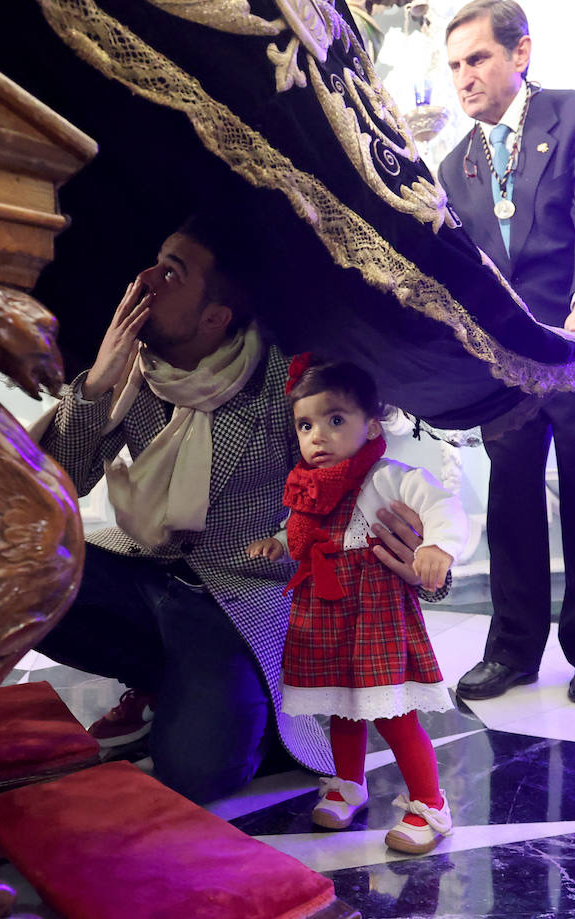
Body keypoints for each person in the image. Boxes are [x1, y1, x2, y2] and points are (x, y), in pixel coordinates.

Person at [33, 214, 449, 803]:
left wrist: (423, 558)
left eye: (171, 273)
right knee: (19, 569)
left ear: (214, 318)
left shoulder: (289, 379)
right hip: (147, 573)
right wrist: (96, 383)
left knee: (200, 774)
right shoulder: (131, 365)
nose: (145, 278)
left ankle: (243, 700)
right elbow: (56, 480)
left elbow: (361, 484)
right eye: (156, 260)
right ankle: (164, 679)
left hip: (237, 596)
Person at [438, 0, 575, 705]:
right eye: (455, 64)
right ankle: (514, 650)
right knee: (511, 507)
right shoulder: (451, 165)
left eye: (478, 58)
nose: (464, 77)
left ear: (520, 53)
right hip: (510, 370)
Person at [245, 358, 465, 852]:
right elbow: (312, 530)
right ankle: (348, 783)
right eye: (306, 425)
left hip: (374, 609)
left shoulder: (386, 476)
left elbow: (441, 503)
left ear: (370, 425)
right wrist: (280, 542)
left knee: (393, 713)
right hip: (324, 608)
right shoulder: (311, 486)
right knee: (341, 707)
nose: (317, 436)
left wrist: (438, 546)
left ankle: (430, 802)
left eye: (335, 420)